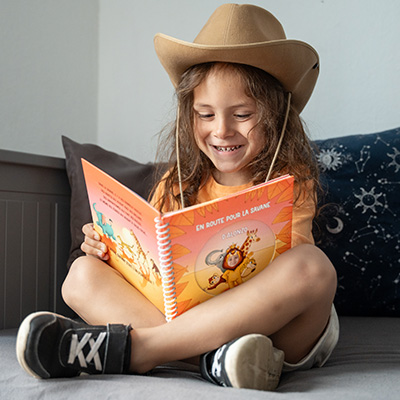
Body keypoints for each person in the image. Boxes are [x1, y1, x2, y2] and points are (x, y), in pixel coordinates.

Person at [15, 3, 338, 391]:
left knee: (312, 267)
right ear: (188, 116)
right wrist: (107, 247)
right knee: (80, 277)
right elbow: (150, 268)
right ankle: (217, 362)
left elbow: (290, 276)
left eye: (242, 114)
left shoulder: (292, 179)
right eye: (205, 114)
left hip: (279, 331)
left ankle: (138, 350)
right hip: (193, 324)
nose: (222, 131)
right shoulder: (178, 181)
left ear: (276, 115)